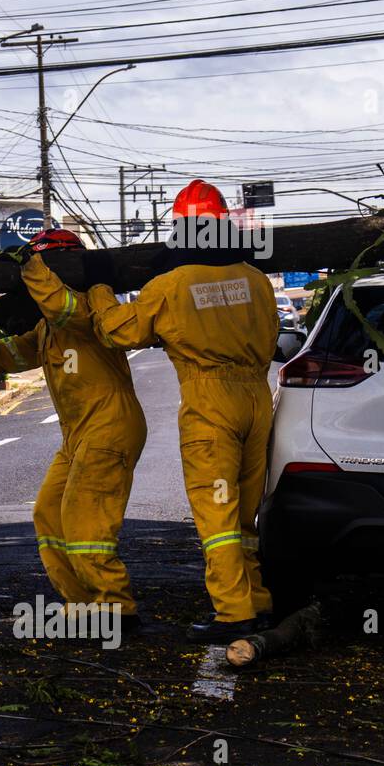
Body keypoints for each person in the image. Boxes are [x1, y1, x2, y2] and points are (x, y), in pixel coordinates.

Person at [84, 180, 278, 643]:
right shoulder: (255, 279)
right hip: (257, 397)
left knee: (217, 514)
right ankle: (257, 602)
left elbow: (117, 332)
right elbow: (273, 336)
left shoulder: (170, 284)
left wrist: (98, 289)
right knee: (245, 513)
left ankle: (233, 613)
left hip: (210, 401)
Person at [0, 229, 147, 627]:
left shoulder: (90, 304)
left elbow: (61, 305)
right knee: (49, 513)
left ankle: (115, 605)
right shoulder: (47, 329)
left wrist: (29, 265)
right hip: (79, 435)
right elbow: (11, 354)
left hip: (109, 427)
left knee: (85, 520)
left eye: (46, 269)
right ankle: (81, 603)